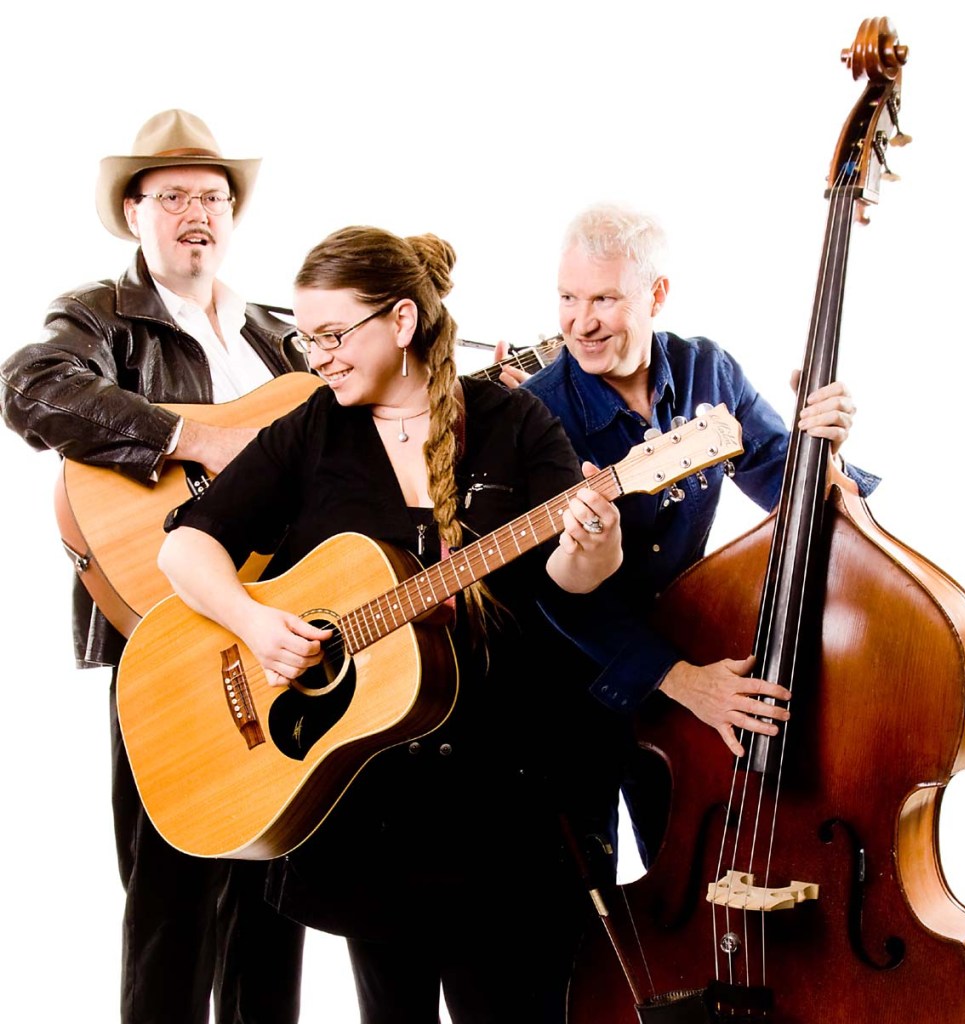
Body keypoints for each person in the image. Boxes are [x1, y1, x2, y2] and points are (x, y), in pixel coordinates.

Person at [156, 224, 627, 1024]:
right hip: (366, 807)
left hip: (501, 804)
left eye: (333, 335)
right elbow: (186, 548)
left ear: (401, 321)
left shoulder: (513, 423)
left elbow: (570, 578)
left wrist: (595, 542)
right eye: (308, 337)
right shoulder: (313, 428)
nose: (318, 357)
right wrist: (256, 623)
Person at [0, 110, 307, 1023]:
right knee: (173, 895)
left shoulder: (278, 336)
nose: (195, 213)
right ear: (134, 213)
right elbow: (31, 387)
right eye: (171, 197)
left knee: (273, 891)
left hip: (273, 621)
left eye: (211, 196)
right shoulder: (103, 316)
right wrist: (194, 438)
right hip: (164, 627)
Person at [518, 202, 878, 861]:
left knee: (695, 871)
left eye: (604, 299)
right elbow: (546, 594)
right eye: (568, 298)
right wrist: (683, 681)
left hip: (687, 676)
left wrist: (821, 448)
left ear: (656, 295)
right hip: (569, 691)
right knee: (576, 896)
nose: (580, 323)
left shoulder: (706, 370)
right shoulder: (535, 412)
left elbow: (797, 499)